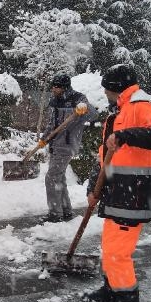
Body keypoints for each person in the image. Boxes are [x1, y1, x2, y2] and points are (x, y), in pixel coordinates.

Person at [81, 64, 151, 302]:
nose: (105, 94)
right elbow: (105, 158)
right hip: (117, 192)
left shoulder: (141, 106)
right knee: (110, 245)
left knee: (117, 253)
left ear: (114, 88)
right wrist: (94, 187)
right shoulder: (118, 113)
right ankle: (111, 290)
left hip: (135, 192)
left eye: (107, 89)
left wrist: (126, 136)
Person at [38, 74, 98, 223]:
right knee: (59, 178)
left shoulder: (78, 98)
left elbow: (93, 114)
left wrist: (85, 109)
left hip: (67, 145)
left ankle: (54, 214)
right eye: (53, 86)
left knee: (51, 178)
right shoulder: (56, 101)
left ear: (64, 87)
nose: (53, 89)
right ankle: (66, 211)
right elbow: (52, 124)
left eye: (56, 86)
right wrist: (44, 139)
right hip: (55, 145)